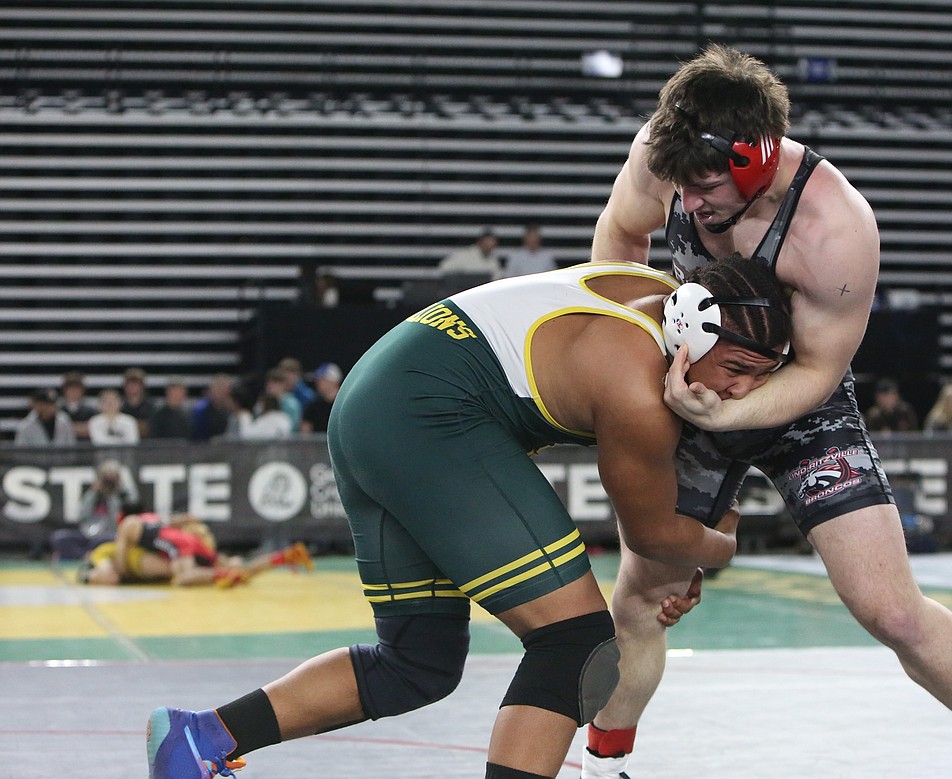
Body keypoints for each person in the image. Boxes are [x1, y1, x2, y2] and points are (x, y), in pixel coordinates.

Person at [582, 44, 952, 779]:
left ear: (753, 159)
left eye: (706, 186)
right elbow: (619, 241)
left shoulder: (835, 227)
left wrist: (724, 417)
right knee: (640, 598)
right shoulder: (666, 153)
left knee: (890, 609)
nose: (689, 205)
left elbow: (818, 370)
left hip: (797, 399)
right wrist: (651, 352)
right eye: (679, 186)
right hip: (692, 385)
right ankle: (601, 765)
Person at [145, 255, 793, 779]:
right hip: (430, 415)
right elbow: (651, 533)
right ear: (689, 329)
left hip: (375, 398)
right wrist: (719, 542)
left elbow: (659, 533)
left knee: (416, 662)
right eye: (736, 369)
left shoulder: (652, 288)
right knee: (575, 643)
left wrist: (683, 552)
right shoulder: (634, 384)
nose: (739, 392)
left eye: (758, 378)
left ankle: (200, 736)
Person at [79, 513, 312, 587]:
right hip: (188, 544)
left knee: (182, 577)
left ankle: (223, 574)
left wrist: (123, 569)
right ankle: (283, 556)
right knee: (237, 570)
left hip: (178, 544)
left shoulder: (138, 527)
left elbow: (125, 533)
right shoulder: (162, 525)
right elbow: (186, 519)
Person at [438, 226, 503, 281]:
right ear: (480, 241)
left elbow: (496, 278)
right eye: (488, 241)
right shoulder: (465, 255)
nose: (490, 244)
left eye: (493, 242)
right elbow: (445, 267)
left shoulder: (493, 260)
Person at [299, 362, 343, 434]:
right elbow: (305, 431)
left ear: (333, 381)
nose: (318, 383)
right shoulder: (313, 405)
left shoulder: (344, 404)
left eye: (322, 380)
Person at [191, 374, 235, 442]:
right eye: (219, 389)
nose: (221, 393)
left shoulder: (231, 411)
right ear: (212, 390)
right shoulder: (201, 410)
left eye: (224, 389)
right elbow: (197, 435)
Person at [59, 370, 98, 441]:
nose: (73, 392)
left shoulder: (91, 410)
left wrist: (67, 428)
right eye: (70, 388)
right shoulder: (59, 409)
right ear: (65, 390)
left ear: (82, 390)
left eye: (77, 388)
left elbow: (93, 429)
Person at [121, 367, 158, 438]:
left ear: (142, 386)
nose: (132, 387)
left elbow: (149, 430)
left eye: (136, 384)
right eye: (129, 384)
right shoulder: (119, 407)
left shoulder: (151, 408)